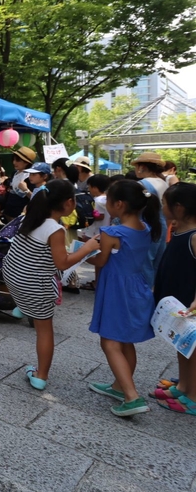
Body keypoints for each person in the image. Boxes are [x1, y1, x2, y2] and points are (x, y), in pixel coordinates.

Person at [2, 180, 98, 390]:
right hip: (35, 285)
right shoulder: (55, 230)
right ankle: (40, 376)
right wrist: (88, 247)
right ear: (68, 203)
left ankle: (23, 306)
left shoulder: (30, 218)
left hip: (13, 277)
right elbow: (62, 263)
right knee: (45, 330)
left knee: (29, 297)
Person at [85, 179, 161, 417]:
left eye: (108, 200)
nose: (105, 204)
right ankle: (120, 386)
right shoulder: (146, 228)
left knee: (109, 342)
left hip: (117, 291)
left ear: (119, 204)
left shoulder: (112, 232)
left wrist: (84, 253)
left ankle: (131, 396)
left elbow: (101, 260)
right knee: (125, 340)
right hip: (137, 287)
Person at [152, 183, 196, 415]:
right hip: (178, 302)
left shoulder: (195, 236)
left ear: (178, 208)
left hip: (190, 304)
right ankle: (184, 386)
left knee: (194, 349)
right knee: (183, 345)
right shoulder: (178, 228)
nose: (162, 207)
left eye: (164, 204)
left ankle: (193, 397)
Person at [131, 152, 168, 286]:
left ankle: (145, 295)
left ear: (142, 167)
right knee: (156, 263)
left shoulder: (142, 184)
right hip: (162, 226)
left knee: (145, 264)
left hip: (146, 225)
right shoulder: (164, 183)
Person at [78, 174, 113, 291]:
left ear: (94, 187)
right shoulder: (108, 198)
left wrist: (88, 215)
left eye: (89, 187)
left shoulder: (97, 200)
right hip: (105, 231)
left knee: (97, 260)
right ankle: (98, 281)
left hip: (95, 233)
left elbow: (99, 216)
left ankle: (97, 282)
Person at [3, 146, 35, 220]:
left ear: (26, 162)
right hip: (8, 211)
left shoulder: (30, 176)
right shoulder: (14, 173)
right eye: (13, 159)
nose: (14, 162)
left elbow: (35, 197)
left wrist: (26, 190)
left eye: (18, 160)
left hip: (21, 213)